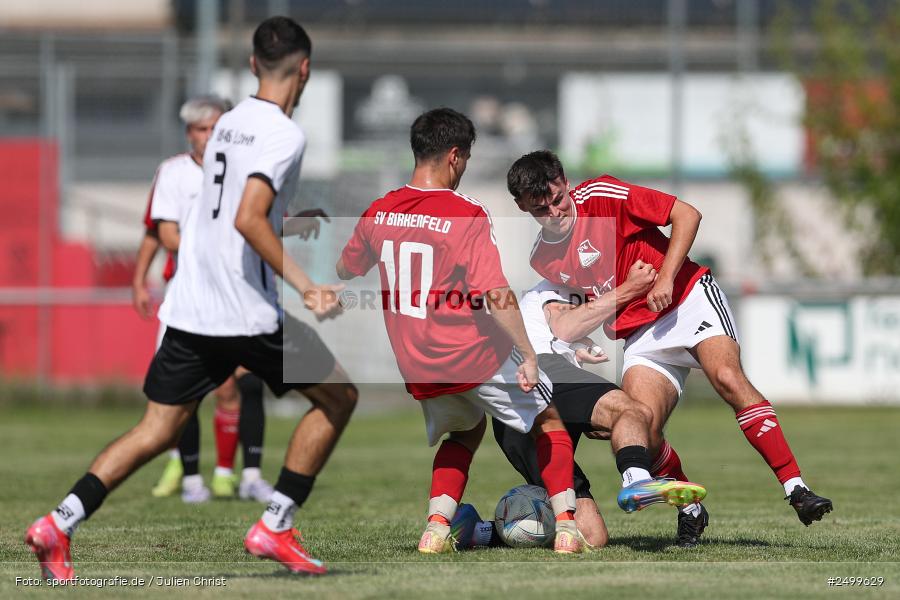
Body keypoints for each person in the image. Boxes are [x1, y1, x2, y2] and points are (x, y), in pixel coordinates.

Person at [25, 17, 356, 580]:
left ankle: (59, 522)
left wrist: (288, 225)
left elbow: (224, 213)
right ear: (305, 70)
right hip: (243, 311)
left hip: (191, 307)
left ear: (253, 65)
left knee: (157, 430)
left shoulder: (225, 126)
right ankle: (275, 524)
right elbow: (249, 217)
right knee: (339, 397)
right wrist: (308, 286)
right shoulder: (284, 133)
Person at [336, 108, 701, 555]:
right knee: (558, 422)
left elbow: (346, 266)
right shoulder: (469, 215)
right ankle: (571, 523)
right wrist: (529, 353)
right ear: (455, 156)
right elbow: (496, 293)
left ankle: (443, 527)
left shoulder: (381, 210)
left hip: (417, 365)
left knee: (465, 434)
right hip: (474, 354)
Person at [507, 150, 833, 527]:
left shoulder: (601, 195)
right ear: (522, 207)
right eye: (540, 210)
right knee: (641, 427)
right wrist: (576, 345)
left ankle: (796, 488)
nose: (555, 213)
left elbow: (687, 214)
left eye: (557, 199)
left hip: (688, 298)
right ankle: (690, 508)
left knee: (727, 378)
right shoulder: (542, 257)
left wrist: (664, 278)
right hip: (641, 331)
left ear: (565, 182)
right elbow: (579, 306)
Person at [455, 266, 709, 550]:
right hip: (539, 372)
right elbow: (563, 324)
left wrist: (576, 351)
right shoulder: (560, 282)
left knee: (593, 537)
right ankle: (637, 479)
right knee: (633, 412)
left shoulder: (574, 293)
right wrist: (630, 287)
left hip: (514, 415)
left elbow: (560, 333)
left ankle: (476, 531)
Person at [132, 95, 273, 504]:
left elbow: (262, 222)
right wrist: (139, 280)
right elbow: (162, 232)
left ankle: (243, 474)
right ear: (189, 133)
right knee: (183, 392)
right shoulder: (174, 173)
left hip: (240, 289)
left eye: (216, 128)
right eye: (201, 129)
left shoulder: (245, 169)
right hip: (191, 293)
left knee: (246, 383)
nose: (209, 137)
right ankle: (193, 477)